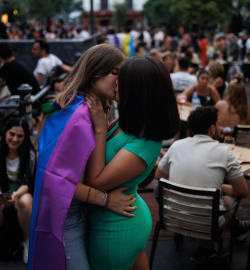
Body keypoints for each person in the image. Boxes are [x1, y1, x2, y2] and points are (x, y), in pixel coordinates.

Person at [28, 44, 137, 270]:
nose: (120, 81)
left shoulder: (83, 107)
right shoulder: (79, 117)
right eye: (116, 73)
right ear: (96, 72)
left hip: (73, 212)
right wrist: (108, 200)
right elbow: (57, 180)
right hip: (68, 216)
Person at [85, 56, 180, 270]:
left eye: (122, 78)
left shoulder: (145, 142)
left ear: (137, 90)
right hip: (121, 216)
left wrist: (100, 128)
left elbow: (96, 181)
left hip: (116, 228)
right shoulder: (131, 120)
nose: (116, 81)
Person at [155, 106, 249, 265]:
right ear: (212, 129)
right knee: (232, 197)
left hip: (172, 216)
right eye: (218, 125)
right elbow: (243, 191)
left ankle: (205, 248)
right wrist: (220, 188)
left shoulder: (178, 145)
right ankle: (226, 236)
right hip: (207, 222)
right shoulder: (225, 152)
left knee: (205, 198)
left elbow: (159, 176)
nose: (218, 128)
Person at [0, 117, 36, 265]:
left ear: (25, 137)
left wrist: (16, 195)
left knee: (25, 202)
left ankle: (27, 241)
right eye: (12, 134)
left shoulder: (29, 155)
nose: (15, 139)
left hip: (20, 189)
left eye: (20, 135)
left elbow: (28, 184)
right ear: (5, 132)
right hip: (1, 188)